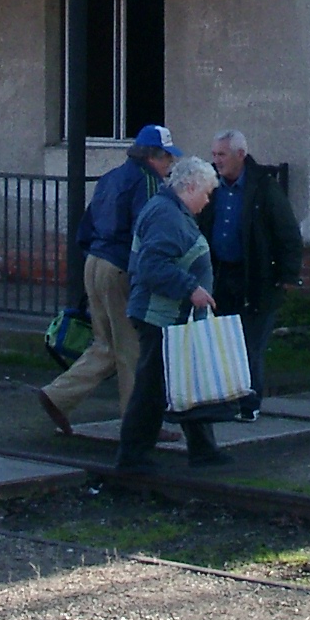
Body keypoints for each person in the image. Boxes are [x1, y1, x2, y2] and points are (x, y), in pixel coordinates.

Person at [36, 124, 179, 437]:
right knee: (132, 349)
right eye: (167, 157)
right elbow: (148, 231)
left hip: (96, 261)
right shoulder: (148, 182)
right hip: (120, 266)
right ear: (153, 156)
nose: (170, 164)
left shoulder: (112, 177)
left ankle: (59, 395)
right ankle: (139, 426)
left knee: (106, 344)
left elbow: (86, 225)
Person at [116, 154, 229, 472]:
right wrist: (191, 288)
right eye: (206, 193)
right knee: (152, 388)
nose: (207, 201)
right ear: (190, 186)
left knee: (186, 381)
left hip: (172, 316)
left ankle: (202, 450)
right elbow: (151, 266)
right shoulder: (167, 216)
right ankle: (132, 457)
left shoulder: (168, 210)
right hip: (160, 316)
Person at [198, 129, 303, 418]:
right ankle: (224, 399)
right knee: (221, 340)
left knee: (250, 344)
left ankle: (248, 403)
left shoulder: (264, 187)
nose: (217, 161)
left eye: (222, 154)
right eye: (214, 154)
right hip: (220, 274)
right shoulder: (212, 186)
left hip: (256, 277)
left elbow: (287, 232)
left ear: (240, 155)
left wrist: (288, 274)